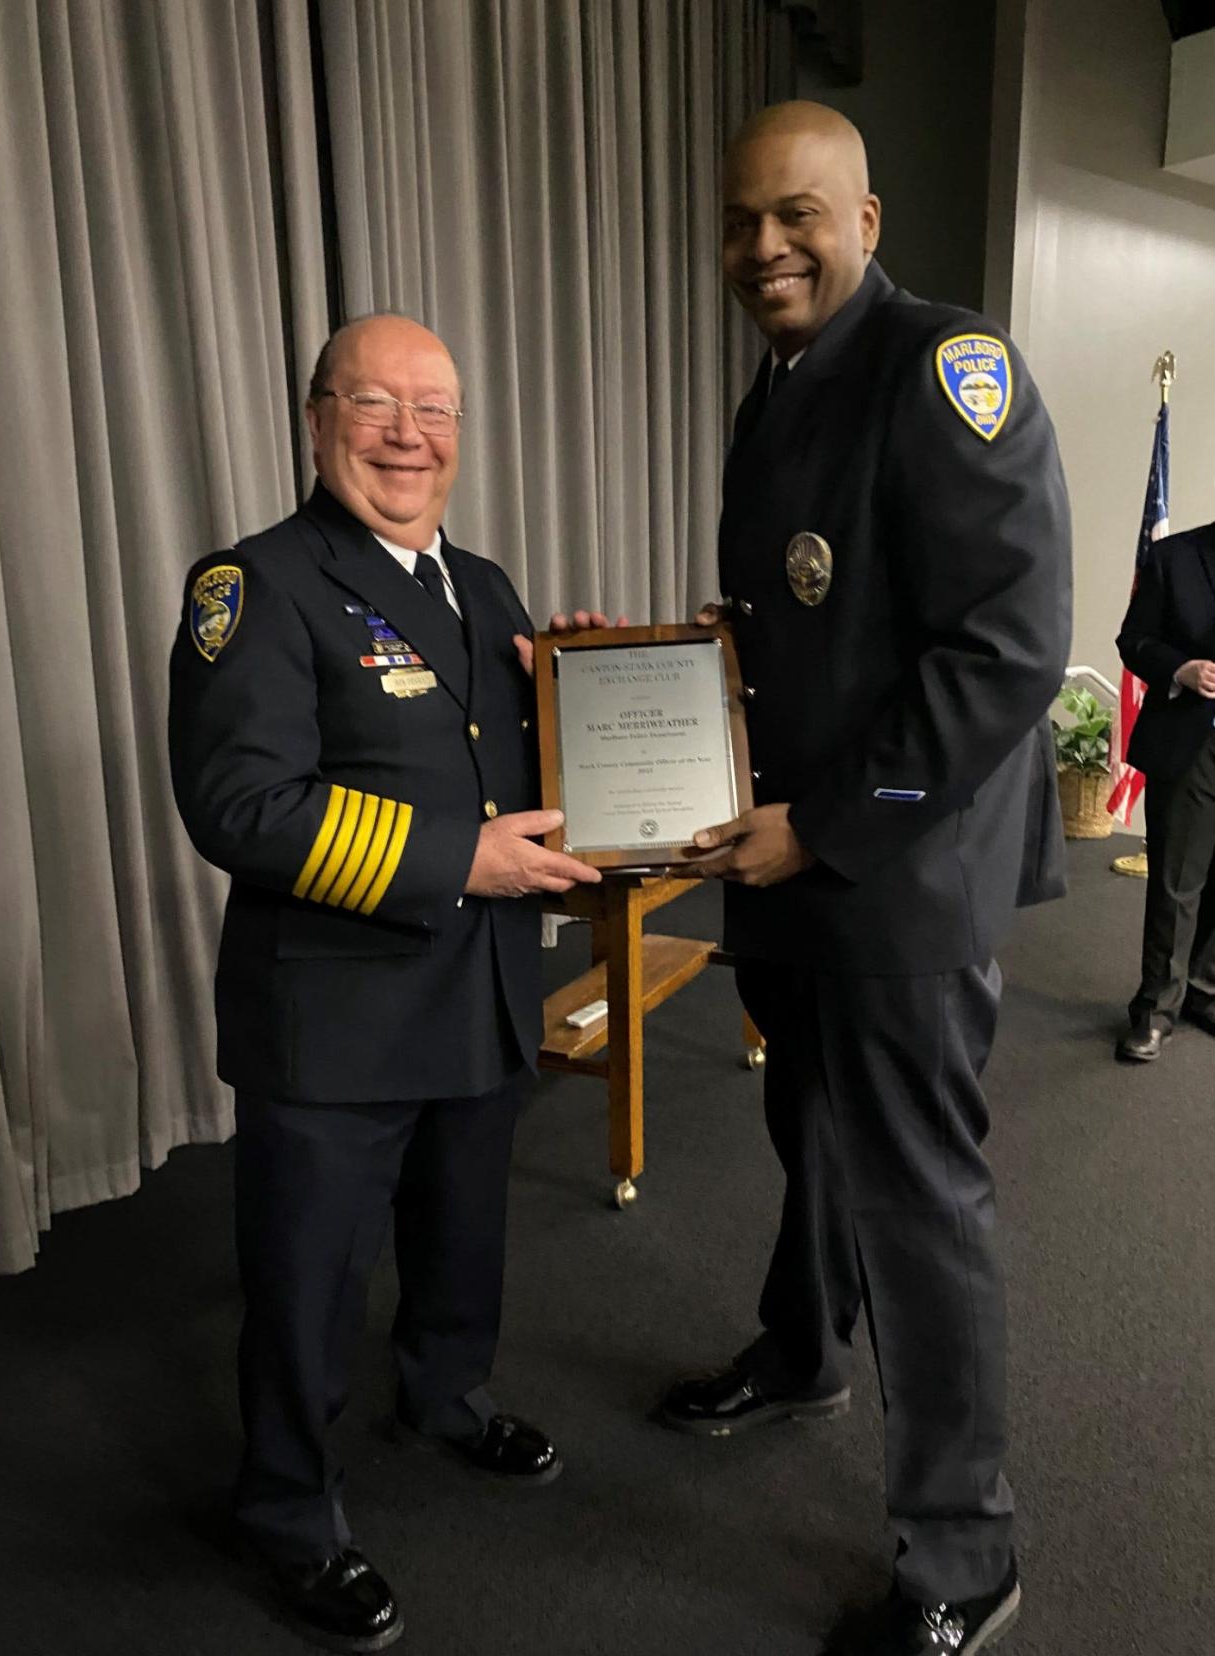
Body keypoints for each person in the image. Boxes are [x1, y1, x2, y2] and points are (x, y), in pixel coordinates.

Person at [659, 103, 1072, 1655]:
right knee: (805, 1133)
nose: (764, 245)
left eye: (796, 215)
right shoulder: (774, 399)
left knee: (917, 1199)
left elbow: (1012, 648)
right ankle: (798, 1346)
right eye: (741, 222)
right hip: (792, 867)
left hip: (889, 873)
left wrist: (825, 827)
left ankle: (964, 1555)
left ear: (867, 220)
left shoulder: (944, 372)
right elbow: (792, 636)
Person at [169, 313, 612, 1653]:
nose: (407, 434)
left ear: (461, 436)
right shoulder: (252, 585)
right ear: (317, 422)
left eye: (433, 409)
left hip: (473, 995)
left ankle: (442, 1398)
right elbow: (239, 805)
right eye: (374, 404)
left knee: (461, 1235)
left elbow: (504, 770)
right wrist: (457, 862)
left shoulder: (481, 586)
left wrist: (580, 692)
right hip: (335, 1016)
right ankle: (289, 1505)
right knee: (309, 1277)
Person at [1114, 519, 1215, 1061]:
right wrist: (1181, 668)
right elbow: (1133, 640)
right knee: (1177, 882)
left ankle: (1205, 990)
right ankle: (1155, 1010)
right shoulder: (1174, 557)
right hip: (1190, 742)